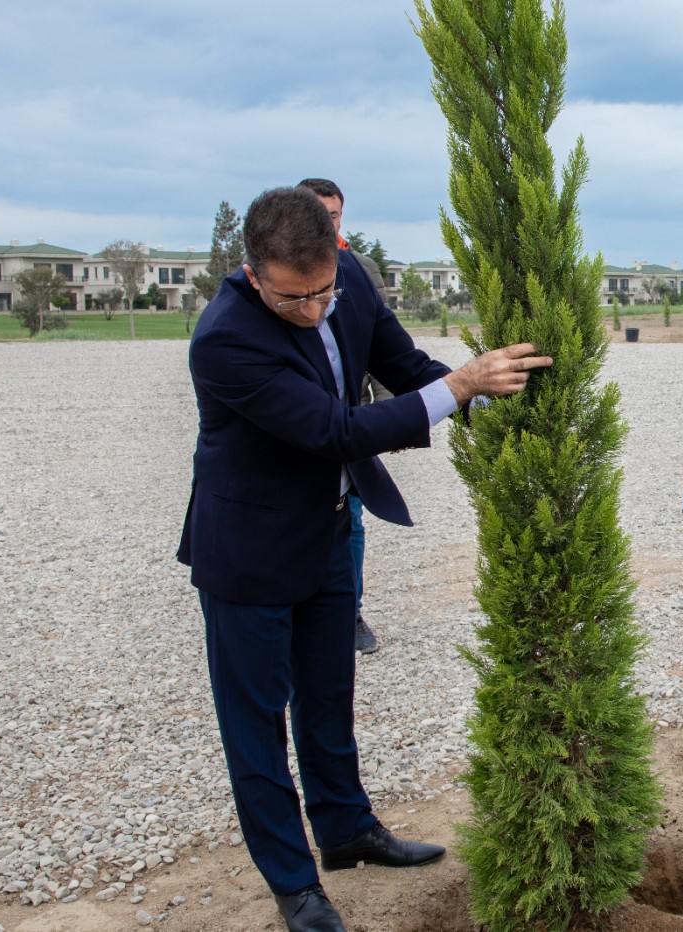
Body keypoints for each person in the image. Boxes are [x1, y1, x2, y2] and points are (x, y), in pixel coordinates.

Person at [177, 186, 551, 932]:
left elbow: (405, 364)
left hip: (328, 530)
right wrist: (460, 386)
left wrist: (488, 391)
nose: (315, 309)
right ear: (255, 275)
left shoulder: (345, 288)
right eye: (294, 298)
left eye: (324, 291)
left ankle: (346, 828)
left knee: (329, 691)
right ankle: (296, 884)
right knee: (256, 724)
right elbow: (333, 431)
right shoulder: (224, 338)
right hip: (248, 551)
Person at [296, 178, 390, 654]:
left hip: (351, 418)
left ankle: (348, 610)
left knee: (350, 517)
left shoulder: (359, 268)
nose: (326, 223)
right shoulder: (274, 267)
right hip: (299, 415)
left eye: (333, 216)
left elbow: (378, 339)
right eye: (317, 214)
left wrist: (385, 406)